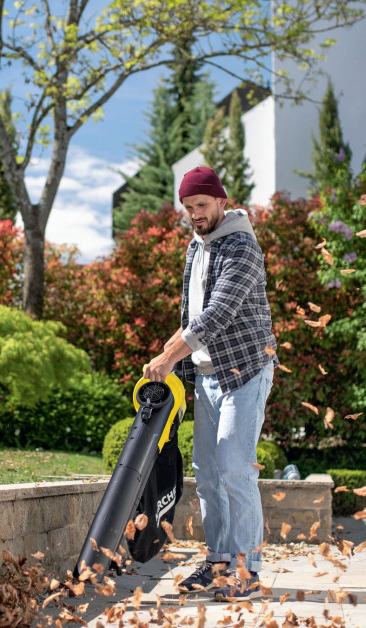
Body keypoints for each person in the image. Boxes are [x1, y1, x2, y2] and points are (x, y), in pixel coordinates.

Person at [142, 166, 277, 601]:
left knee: (236, 468)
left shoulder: (241, 246)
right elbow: (190, 314)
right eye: (188, 208)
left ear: (221, 200)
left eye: (201, 205)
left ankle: (247, 570)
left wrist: (168, 355)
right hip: (206, 375)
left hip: (245, 370)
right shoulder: (194, 248)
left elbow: (217, 314)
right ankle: (218, 562)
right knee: (208, 473)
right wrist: (175, 352)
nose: (195, 214)